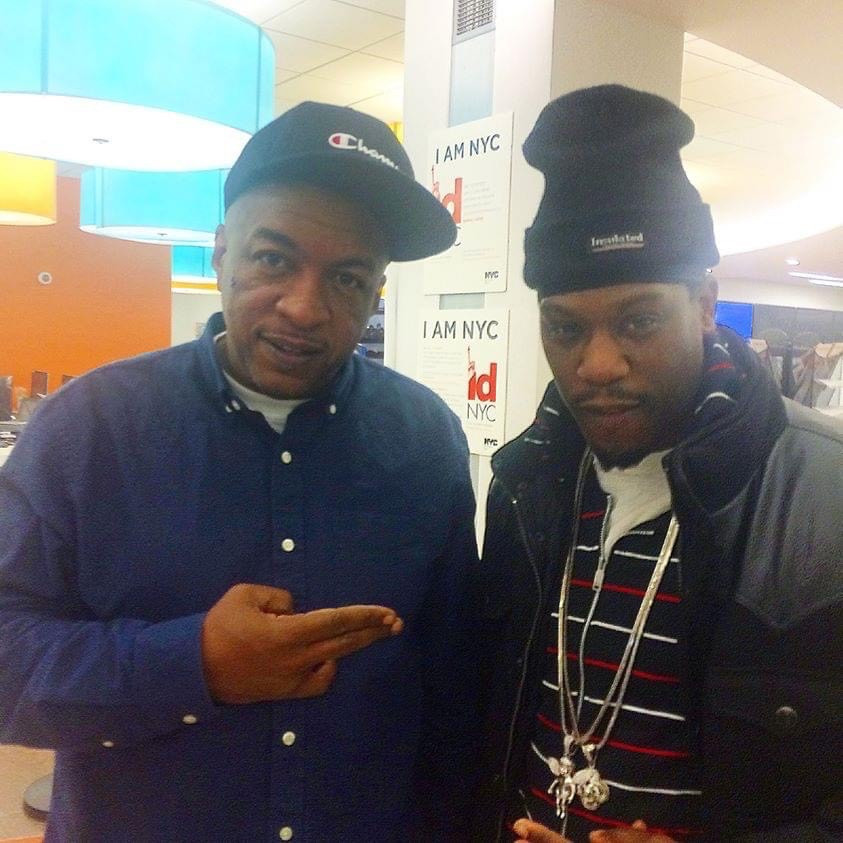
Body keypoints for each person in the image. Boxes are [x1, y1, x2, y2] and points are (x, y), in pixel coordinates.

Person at [0, 102, 480, 841]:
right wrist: (191, 665)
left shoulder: (425, 440)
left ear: (376, 291)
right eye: (273, 259)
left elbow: (453, 681)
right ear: (222, 251)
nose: (304, 307)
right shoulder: (87, 429)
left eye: (348, 279)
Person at [474, 85, 842, 842]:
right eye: (564, 328)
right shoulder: (528, 482)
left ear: (704, 303)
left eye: (638, 320)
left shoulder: (823, 493)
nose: (597, 365)